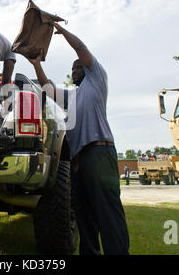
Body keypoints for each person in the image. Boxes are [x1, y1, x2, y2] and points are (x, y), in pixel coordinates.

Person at [26, 22, 129, 255]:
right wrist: (36, 65)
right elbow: (47, 88)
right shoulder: (71, 97)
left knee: (107, 211)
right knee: (83, 215)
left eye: (78, 67)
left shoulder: (97, 80)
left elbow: (81, 48)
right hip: (78, 161)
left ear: (88, 68)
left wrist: (63, 33)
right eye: (72, 69)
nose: (74, 71)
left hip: (99, 154)